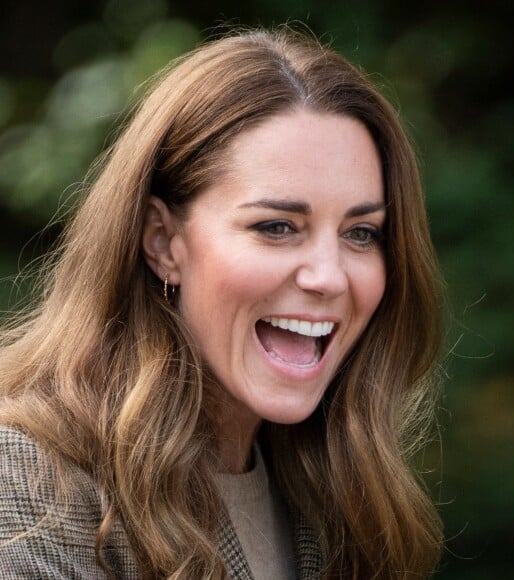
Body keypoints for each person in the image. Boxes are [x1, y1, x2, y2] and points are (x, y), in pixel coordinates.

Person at [0, 28, 444, 579]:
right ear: (163, 241)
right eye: (277, 226)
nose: (329, 276)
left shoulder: (335, 495)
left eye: (360, 233)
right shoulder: (28, 483)